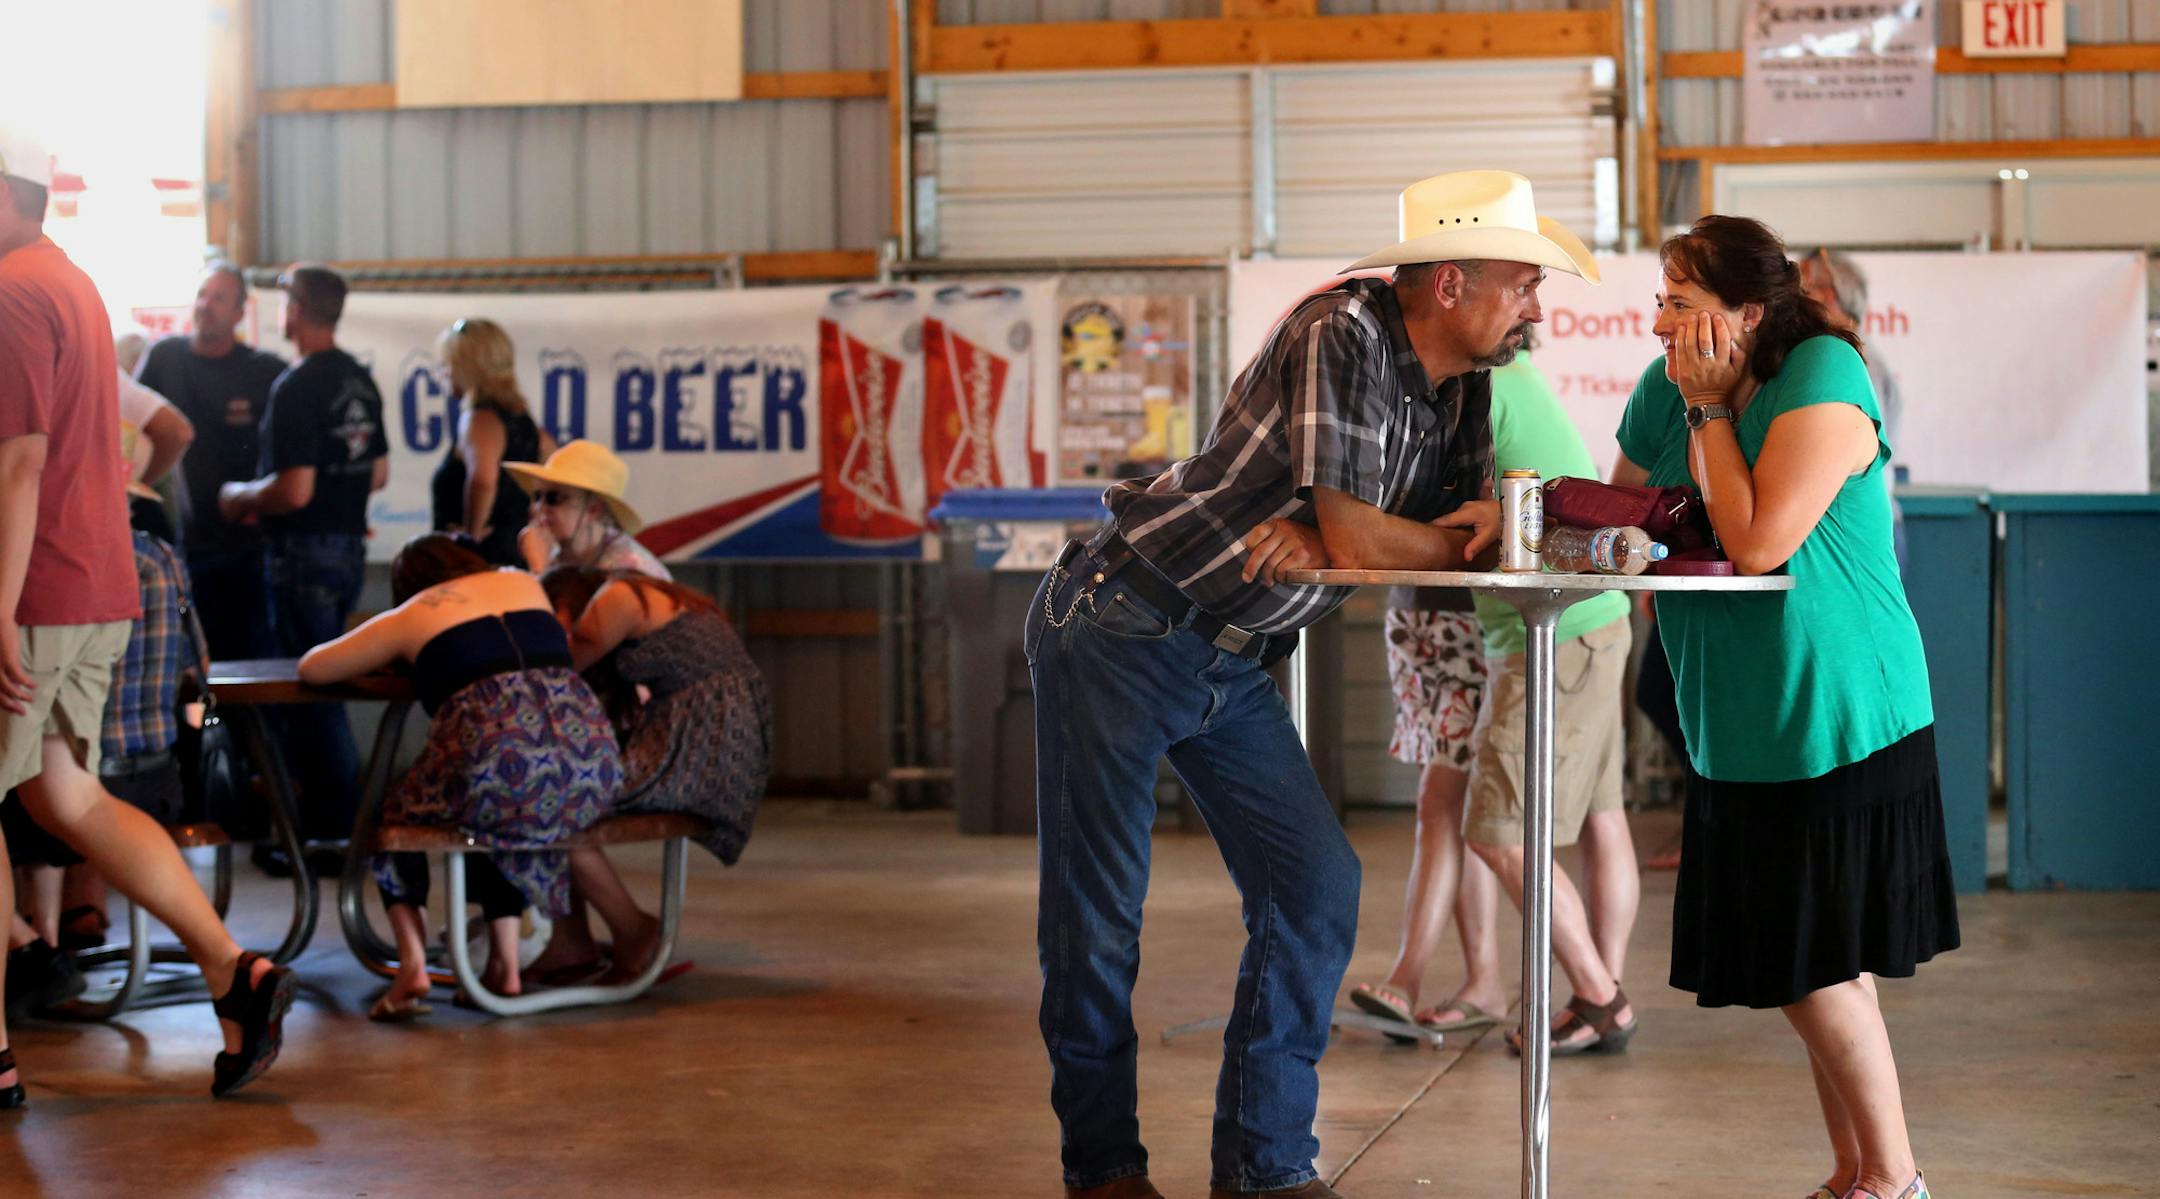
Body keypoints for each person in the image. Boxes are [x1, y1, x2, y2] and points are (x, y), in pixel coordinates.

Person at [1029, 170, 1598, 1199]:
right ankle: (1103, 1166)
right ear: (1453, 281)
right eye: (1522, 283)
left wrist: (1371, 537)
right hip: (1125, 624)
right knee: (1099, 910)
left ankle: (1264, 1163)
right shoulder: (1343, 329)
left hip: (1233, 656)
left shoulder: (1463, 385)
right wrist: (1371, 536)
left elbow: (1442, 541)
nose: (1535, 307)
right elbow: (1376, 539)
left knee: (1317, 884)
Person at [1554, 214, 1948, 1199]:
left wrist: (1709, 415)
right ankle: (1858, 1170)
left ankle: (1893, 1177)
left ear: (1749, 312)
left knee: (1809, 962)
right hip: (1732, 713)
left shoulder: (1821, 374)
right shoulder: (1666, 387)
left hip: (1841, 706)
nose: (1659, 325)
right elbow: (1625, 513)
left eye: (1681, 305)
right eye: (1660, 301)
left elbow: (1762, 535)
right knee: (1805, 960)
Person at [0, 124, 295, 1101]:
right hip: (96, 580)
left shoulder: (10, 294)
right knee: (65, 797)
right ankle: (233, 968)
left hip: (32, 592)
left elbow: (20, 462)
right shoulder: (73, 283)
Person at [297, 534, 622, 1018]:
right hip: (594, 763)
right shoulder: (522, 582)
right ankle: (505, 967)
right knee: (485, 815)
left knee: (391, 821)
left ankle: (411, 965)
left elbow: (314, 668)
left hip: (500, 766)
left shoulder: (414, 612)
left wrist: (398, 643)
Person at [1450, 353, 1641, 1056]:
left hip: (1550, 634)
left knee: (1500, 833)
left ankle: (1598, 995)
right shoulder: (1519, 379)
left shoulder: (1477, 388)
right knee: (1603, 816)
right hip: (1595, 622)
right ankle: (1595, 995)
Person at [219, 264, 388, 849]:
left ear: (294, 308)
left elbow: (295, 490)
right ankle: (332, 827)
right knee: (326, 692)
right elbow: (379, 472)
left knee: (313, 698)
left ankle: (333, 833)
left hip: (302, 557)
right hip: (344, 554)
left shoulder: (297, 386)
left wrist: (239, 496)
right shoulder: (359, 382)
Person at [539, 566, 771, 983]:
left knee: (552, 806)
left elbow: (557, 665)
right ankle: (570, 943)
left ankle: (634, 930)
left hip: (699, 738)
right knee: (554, 797)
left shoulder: (618, 598)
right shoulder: (647, 594)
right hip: (718, 736)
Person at [1345, 576, 1506, 1039]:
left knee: (1439, 801)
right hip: (1412, 612)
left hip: (1469, 617)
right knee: (1452, 808)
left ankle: (1406, 978)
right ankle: (1484, 981)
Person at [136, 261, 287, 661]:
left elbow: (292, 454)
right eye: (202, 294)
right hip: (176, 547)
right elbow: (128, 429)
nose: (206, 305)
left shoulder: (266, 371)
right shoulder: (164, 358)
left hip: (248, 550)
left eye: (219, 298)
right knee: (182, 668)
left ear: (240, 312)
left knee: (250, 667)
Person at [1797, 247, 1907, 568]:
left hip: (1857, 535)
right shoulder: (1848, 357)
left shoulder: (1851, 362)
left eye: (1801, 290)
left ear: (1827, 296)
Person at [430, 318, 557, 566]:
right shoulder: (526, 425)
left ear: (466, 368)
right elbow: (557, 472)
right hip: (518, 556)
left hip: (482, 560)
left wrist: (470, 537)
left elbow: (483, 481)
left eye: (446, 365)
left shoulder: (479, 420)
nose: (442, 374)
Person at [506, 440, 668, 580]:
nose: (539, 507)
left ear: (593, 510)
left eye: (553, 498)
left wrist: (539, 569)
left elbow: (552, 615)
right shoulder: (557, 552)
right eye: (537, 496)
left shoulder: (630, 570)